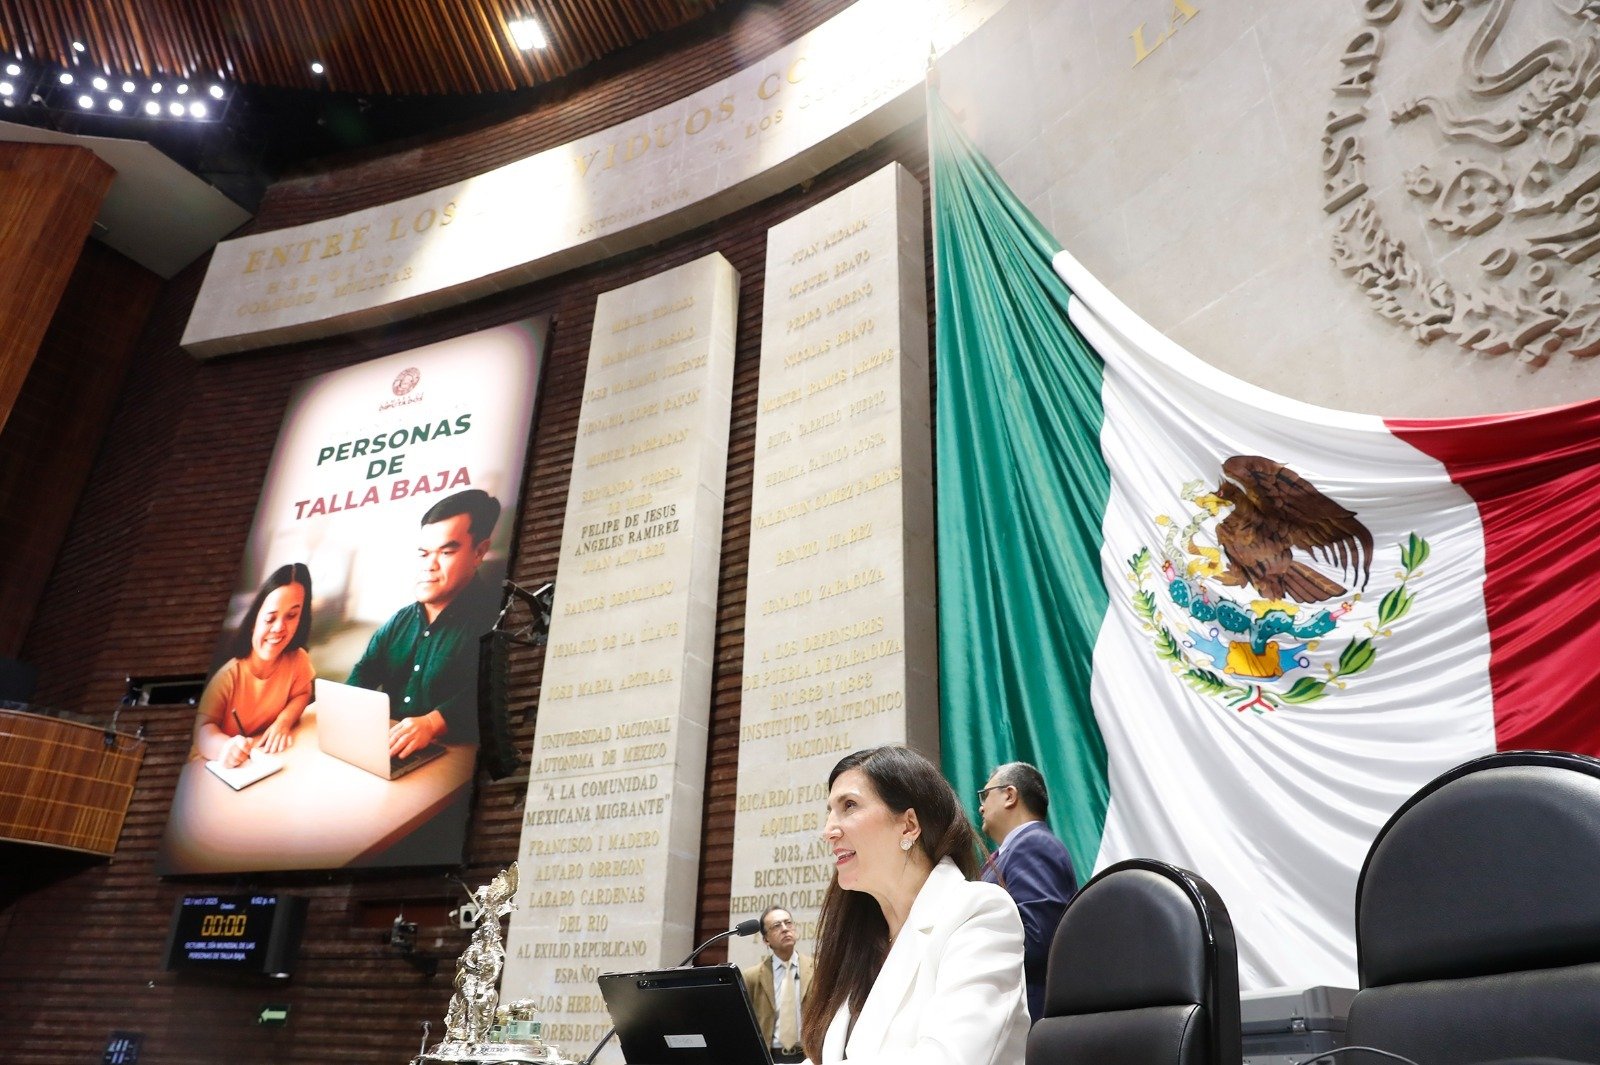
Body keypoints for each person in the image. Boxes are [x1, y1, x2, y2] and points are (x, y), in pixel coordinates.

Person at [802, 746, 1030, 1065]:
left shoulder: (980, 911)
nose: (828, 831)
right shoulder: (864, 941)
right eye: (829, 812)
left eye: (849, 805)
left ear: (909, 825)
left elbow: (949, 1059)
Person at [348, 489, 503, 758]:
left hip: (454, 760)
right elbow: (364, 672)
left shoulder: (494, 620)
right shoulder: (400, 621)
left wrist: (432, 724)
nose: (429, 566)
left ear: (479, 552)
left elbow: (489, 694)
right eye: (423, 554)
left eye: (446, 552)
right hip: (391, 748)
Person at [977, 761, 1079, 1020]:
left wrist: (969, 950)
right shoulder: (1008, 853)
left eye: (985, 795)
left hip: (1026, 1019)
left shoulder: (1034, 845)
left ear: (1010, 795)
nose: (981, 806)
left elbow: (1035, 940)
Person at [193, 562, 315, 768]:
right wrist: (224, 748)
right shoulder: (228, 676)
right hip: (212, 768)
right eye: (270, 618)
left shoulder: (298, 659)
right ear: (253, 622)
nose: (279, 627)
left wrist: (283, 722)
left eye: (291, 616)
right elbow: (201, 729)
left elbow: (302, 694)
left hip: (267, 760)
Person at [741, 906, 813, 1063]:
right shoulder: (752, 977)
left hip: (808, 1057)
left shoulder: (817, 970)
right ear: (766, 940)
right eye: (776, 926)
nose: (785, 929)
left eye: (788, 923)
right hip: (771, 1057)